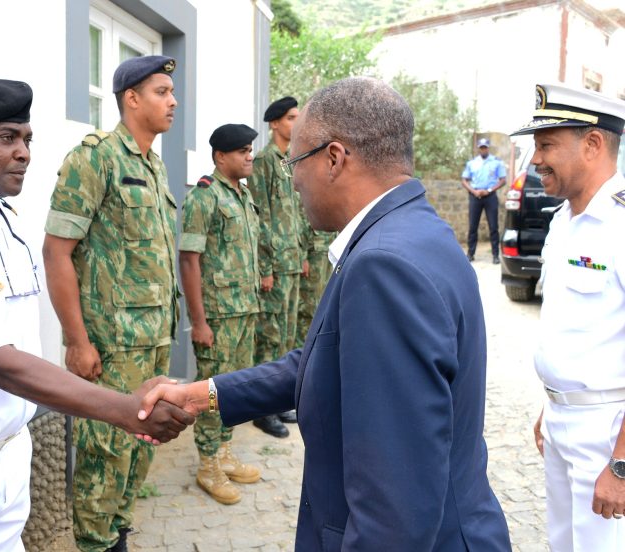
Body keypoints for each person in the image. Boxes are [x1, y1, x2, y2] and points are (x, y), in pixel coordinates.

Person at [139, 77, 512, 551]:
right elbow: (331, 360)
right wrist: (202, 394)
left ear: (334, 158)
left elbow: (393, 513)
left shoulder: (383, 266)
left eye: (296, 162)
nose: (292, 179)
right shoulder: (418, 231)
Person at [0, 79, 193, 552]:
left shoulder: (10, 224)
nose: (23, 153)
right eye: (7, 138)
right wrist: (124, 410)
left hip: (8, 454)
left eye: (27, 139)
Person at [42, 55, 180, 552]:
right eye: (162, 92)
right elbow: (56, 252)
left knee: (141, 446)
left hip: (154, 337)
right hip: (112, 344)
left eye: (172, 92)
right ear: (132, 99)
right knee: (105, 452)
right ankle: (96, 543)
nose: (173, 101)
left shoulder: (153, 165)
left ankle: (118, 532)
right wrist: (77, 342)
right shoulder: (95, 158)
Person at [517, 84, 625, 551]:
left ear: (593, 144)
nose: (536, 159)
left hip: (608, 432)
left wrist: (621, 463)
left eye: (546, 145)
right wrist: (554, 403)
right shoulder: (563, 219)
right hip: (564, 420)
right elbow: (575, 327)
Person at [179, 123, 263, 505]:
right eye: (242, 151)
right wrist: (199, 322)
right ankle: (208, 463)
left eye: (250, 150)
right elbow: (189, 260)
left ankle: (224, 451)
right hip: (218, 316)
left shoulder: (243, 196)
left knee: (235, 389)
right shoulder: (205, 196)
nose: (249, 156)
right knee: (212, 391)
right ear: (220, 156)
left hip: (245, 309)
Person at [248, 96, 307, 438]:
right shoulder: (265, 161)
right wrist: (266, 266)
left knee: (285, 335)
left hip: (291, 260)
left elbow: (295, 213)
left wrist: (301, 254)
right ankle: (263, 409)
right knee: (269, 338)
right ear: (274, 123)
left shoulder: (289, 160)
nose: (295, 123)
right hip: (275, 264)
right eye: (290, 118)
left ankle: (280, 400)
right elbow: (262, 216)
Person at [461, 137, 506, 263]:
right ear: (478, 149)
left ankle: (495, 255)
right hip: (475, 196)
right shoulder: (472, 163)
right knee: (473, 226)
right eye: (481, 147)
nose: (483, 149)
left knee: (493, 227)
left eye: (485, 147)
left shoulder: (496, 162)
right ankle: (470, 254)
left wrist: (489, 190)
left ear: (488, 148)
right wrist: (473, 191)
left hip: (490, 196)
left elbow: (503, 180)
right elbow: (464, 180)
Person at [295, 218, 336, 348]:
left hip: (327, 248)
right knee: (308, 307)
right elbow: (301, 217)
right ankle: (303, 349)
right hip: (312, 251)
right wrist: (302, 255)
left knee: (320, 305)